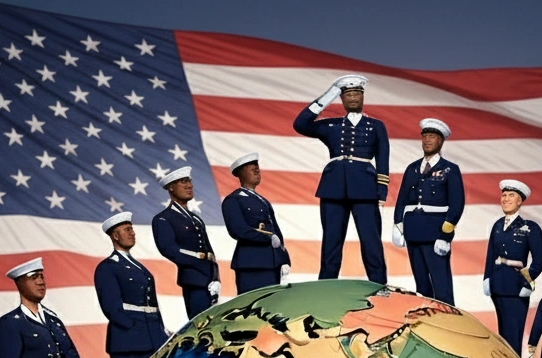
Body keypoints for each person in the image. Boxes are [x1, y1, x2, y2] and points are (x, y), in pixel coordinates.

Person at [293, 74, 389, 283]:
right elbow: (300, 124)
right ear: (342, 98)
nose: (353, 97)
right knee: (331, 243)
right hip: (334, 186)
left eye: (357, 93)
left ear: (363, 97)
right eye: (347, 93)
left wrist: (381, 192)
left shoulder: (376, 126)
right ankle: (325, 287)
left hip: (365, 188)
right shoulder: (332, 125)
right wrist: (329, 94)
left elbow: (383, 159)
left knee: (371, 242)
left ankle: (379, 286)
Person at [392, 118, 465, 304]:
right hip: (413, 232)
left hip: (435, 234)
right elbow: (402, 199)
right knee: (422, 287)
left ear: (441, 141)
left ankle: (449, 324)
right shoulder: (412, 168)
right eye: (424, 136)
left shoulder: (450, 169)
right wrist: (398, 224)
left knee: (442, 288)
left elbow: (457, 204)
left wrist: (445, 236)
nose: (427, 140)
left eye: (431, 136)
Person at [93, 211, 168, 358]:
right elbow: (112, 308)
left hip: (151, 340)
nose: (132, 233)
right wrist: (136, 329)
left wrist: (160, 331)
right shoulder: (108, 267)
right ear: (115, 236)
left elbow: (152, 306)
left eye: (132, 229)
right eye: (127, 230)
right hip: (129, 343)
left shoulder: (138, 266)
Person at [483, 178, 542, 353]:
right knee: (502, 337)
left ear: (520, 201)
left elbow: (540, 259)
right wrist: (487, 279)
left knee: (513, 336)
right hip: (498, 286)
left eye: (511, 195)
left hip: (516, 287)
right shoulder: (497, 225)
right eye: (503, 195)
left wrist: (527, 282)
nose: (506, 199)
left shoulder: (529, 227)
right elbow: (491, 255)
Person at [151, 166, 220, 320]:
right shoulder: (164, 219)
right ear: (171, 187)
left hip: (209, 279)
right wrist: (201, 268)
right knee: (200, 326)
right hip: (193, 279)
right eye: (183, 182)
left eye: (189, 182)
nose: (189, 186)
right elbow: (169, 249)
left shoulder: (195, 219)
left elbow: (209, 252)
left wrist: (215, 278)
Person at [221, 153, 291, 294]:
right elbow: (238, 230)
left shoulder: (263, 201)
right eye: (250, 168)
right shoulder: (233, 200)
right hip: (251, 263)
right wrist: (267, 237)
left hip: (272, 264)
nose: (256, 170)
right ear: (240, 173)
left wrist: (284, 259)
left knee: (271, 308)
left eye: (257, 167)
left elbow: (275, 231)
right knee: (252, 309)